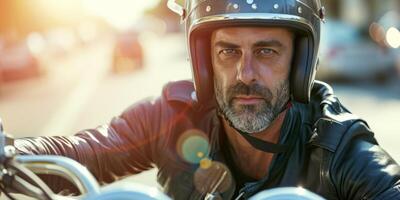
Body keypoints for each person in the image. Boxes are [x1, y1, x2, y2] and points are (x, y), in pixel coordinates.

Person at [14, 0, 400, 199]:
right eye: (228, 52)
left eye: (266, 52)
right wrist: (13, 152)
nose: (245, 74)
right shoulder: (171, 118)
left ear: (300, 63)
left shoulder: (338, 148)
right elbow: (86, 151)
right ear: (203, 61)